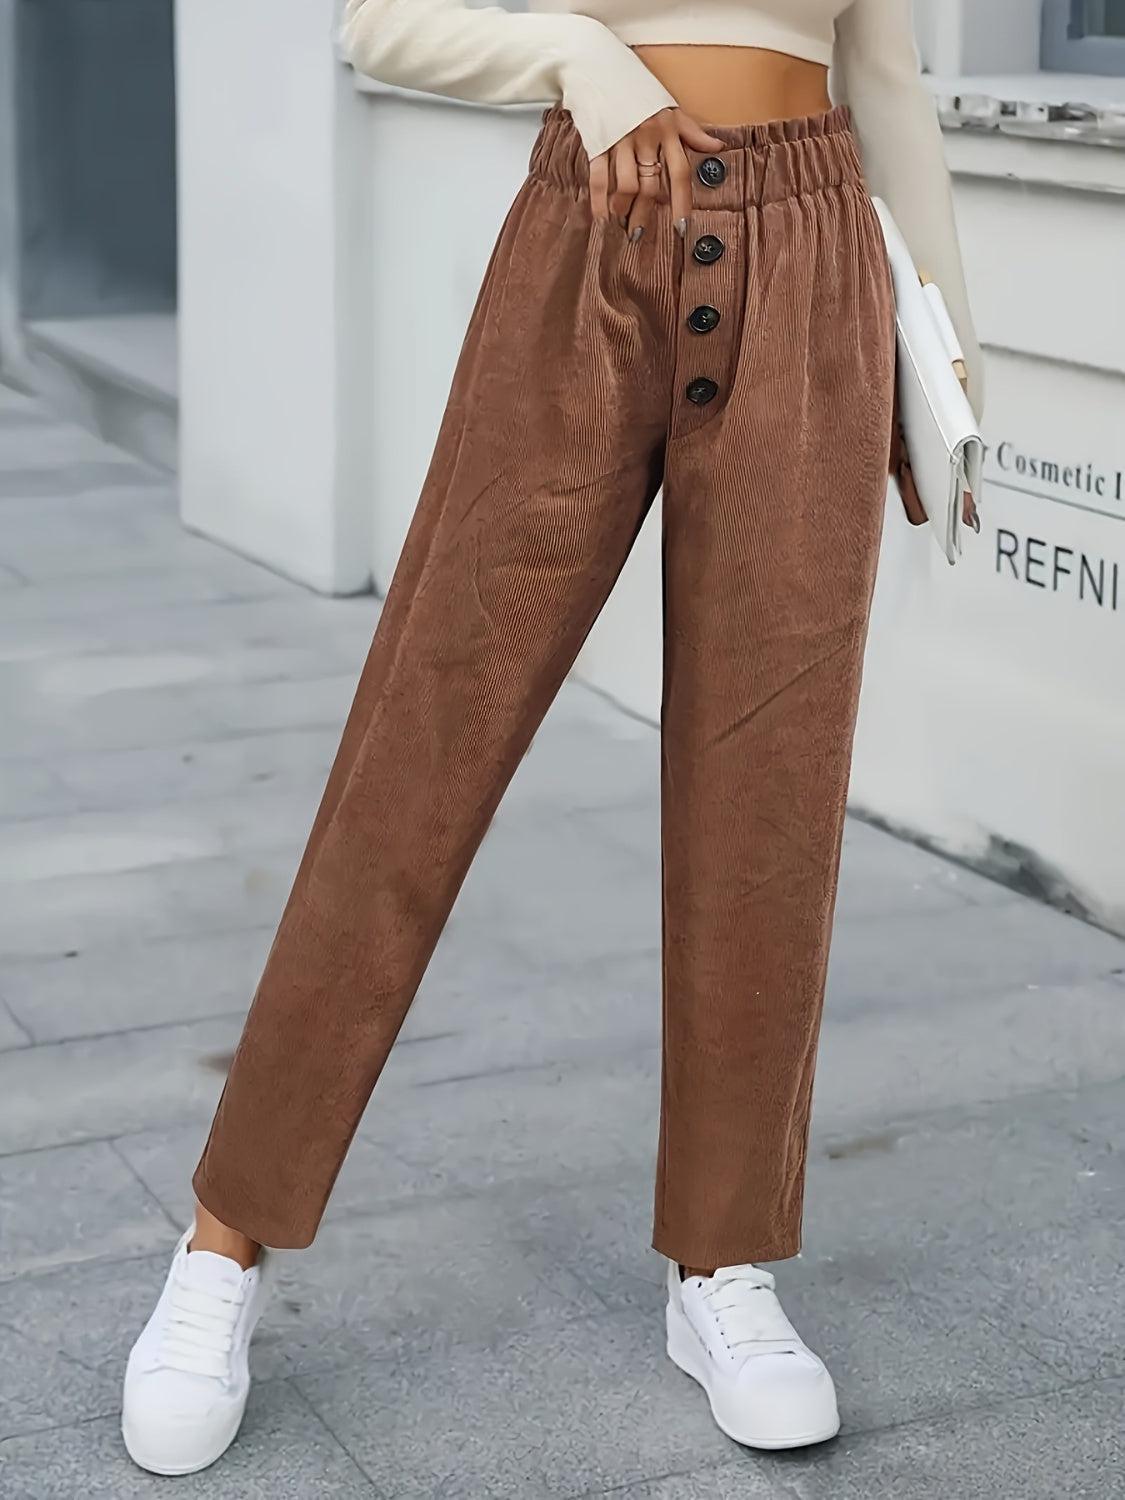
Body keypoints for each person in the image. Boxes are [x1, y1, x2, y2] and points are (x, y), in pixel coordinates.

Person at [121, 0, 982, 1476]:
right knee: (423, 746)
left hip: (814, 263)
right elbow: (379, 25)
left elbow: (887, 73)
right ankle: (223, 1242)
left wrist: (950, 367)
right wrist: (575, 60)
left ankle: (721, 1264)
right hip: (591, 240)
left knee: (767, 786)